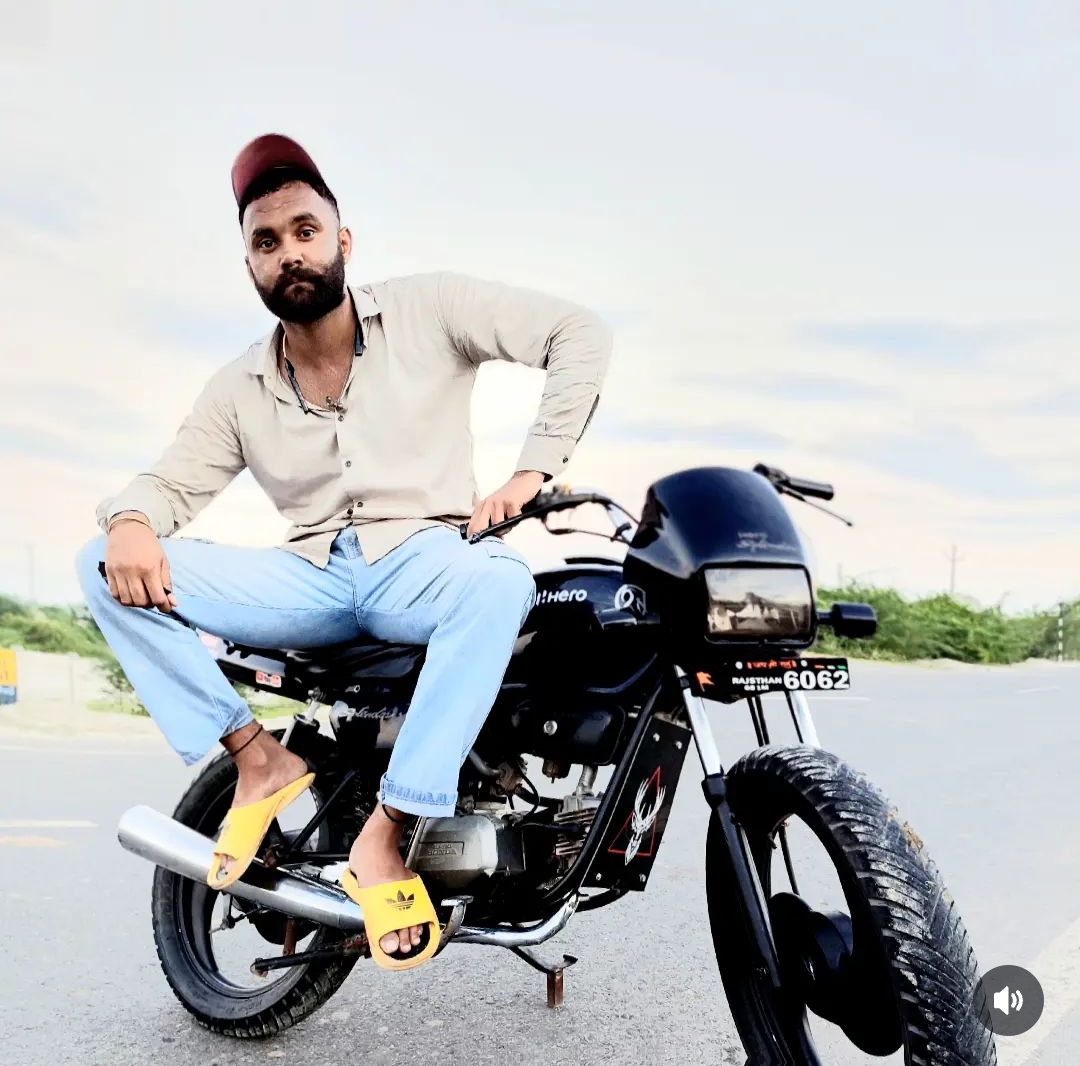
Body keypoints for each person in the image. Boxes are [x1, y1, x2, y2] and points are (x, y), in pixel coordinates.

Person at [75, 133, 612, 970]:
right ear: (250, 265)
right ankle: (259, 760)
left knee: (499, 582)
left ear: (343, 241)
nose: (289, 252)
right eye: (266, 241)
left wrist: (530, 471)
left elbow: (577, 332)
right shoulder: (238, 387)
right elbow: (165, 483)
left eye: (305, 230)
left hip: (421, 558)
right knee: (98, 562)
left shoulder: (431, 307)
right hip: (308, 576)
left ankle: (387, 833)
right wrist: (133, 519)